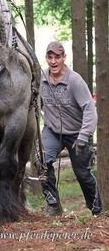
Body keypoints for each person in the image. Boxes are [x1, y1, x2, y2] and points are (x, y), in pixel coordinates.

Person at [40, 41, 102, 216]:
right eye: (50, 57)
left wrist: (84, 136)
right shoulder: (41, 78)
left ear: (63, 58)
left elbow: (90, 109)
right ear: (46, 58)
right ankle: (53, 204)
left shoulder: (74, 80)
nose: (53, 61)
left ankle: (96, 209)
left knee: (82, 174)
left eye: (57, 57)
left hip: (77, 133)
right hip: (52, 131)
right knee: (42, 160)